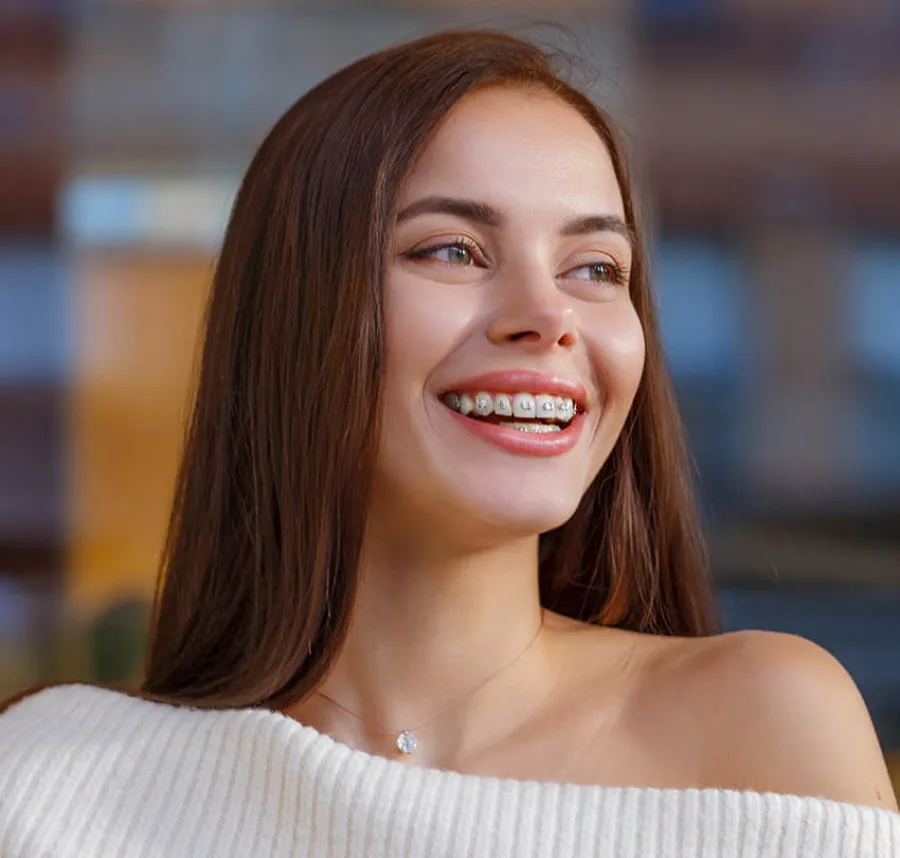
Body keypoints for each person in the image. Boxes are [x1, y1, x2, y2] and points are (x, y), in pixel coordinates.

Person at [1, 29, 897, 858]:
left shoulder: (767, 723)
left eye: (596, 269)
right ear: (294, 315)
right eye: (453, 251)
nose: (548, 319)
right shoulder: (53, 782)